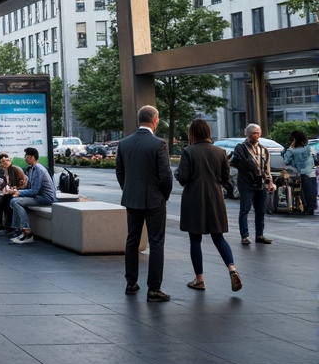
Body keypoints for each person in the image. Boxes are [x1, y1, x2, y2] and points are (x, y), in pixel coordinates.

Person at [115, 105, 174, 300]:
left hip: (132, 198)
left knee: (132, 240)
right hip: (154, 200)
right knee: (156, 242)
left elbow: (120, 173)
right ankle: (154, 288)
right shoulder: (159, 144)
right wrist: (164, 195)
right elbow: (165, 176)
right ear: (155, 120)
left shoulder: (124, 143)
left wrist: (129, 190)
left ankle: (131, 283)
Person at [177, 119, 241, 292]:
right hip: (215, 198)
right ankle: (232, 268)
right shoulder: (220, 152)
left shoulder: (188, 151)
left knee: (195, 239)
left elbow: (182, 177)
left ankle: (200, 279)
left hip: (194, 198)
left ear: (192, 133)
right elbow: (225, 178)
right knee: (218, 237)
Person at [232, 123, 276, 245]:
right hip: (246, 183)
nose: (256, 135)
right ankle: (244, 235)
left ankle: (260, 234)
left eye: (258, 132)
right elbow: (235, 162)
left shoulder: (263, 149)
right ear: (248, 134)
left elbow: (267, 168)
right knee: (245, 209)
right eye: (254, 133)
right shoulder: (241, 148)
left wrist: (270, 181)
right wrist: (247, 166)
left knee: (261, 210)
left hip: (260, 183)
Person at [7, 146, 57, 245]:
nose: (25, 158)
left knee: (15, 201)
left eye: (26, 156)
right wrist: (16, 190)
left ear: (32, 157)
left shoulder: (38, 169)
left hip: (46, 198)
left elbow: (35, 191)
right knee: (13, 201)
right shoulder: (32, 169)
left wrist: (19, 193)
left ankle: (26, 232)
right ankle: (19, 230)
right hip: (38, 196)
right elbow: (30, 187)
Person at [0, 154, 27, 235]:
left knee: (4, 200)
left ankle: (12, 225)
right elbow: (5, 184)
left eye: (7, 161)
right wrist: (5, 188)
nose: (5, 163)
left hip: (19, 192)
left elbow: (23, 184)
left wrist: (14, 189)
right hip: (10, 192)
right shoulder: (5, 171)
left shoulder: (15, 169)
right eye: (2, 162)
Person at [282, 129, 317, 216]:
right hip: (311, 172)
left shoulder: (291, 151)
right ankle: (311, 207)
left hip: (301, 172)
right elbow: (315, 160)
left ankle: (306, 208)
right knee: (311, 190)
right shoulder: (309, 148)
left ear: (294, 139)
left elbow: (286, 161)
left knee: (304, 191)